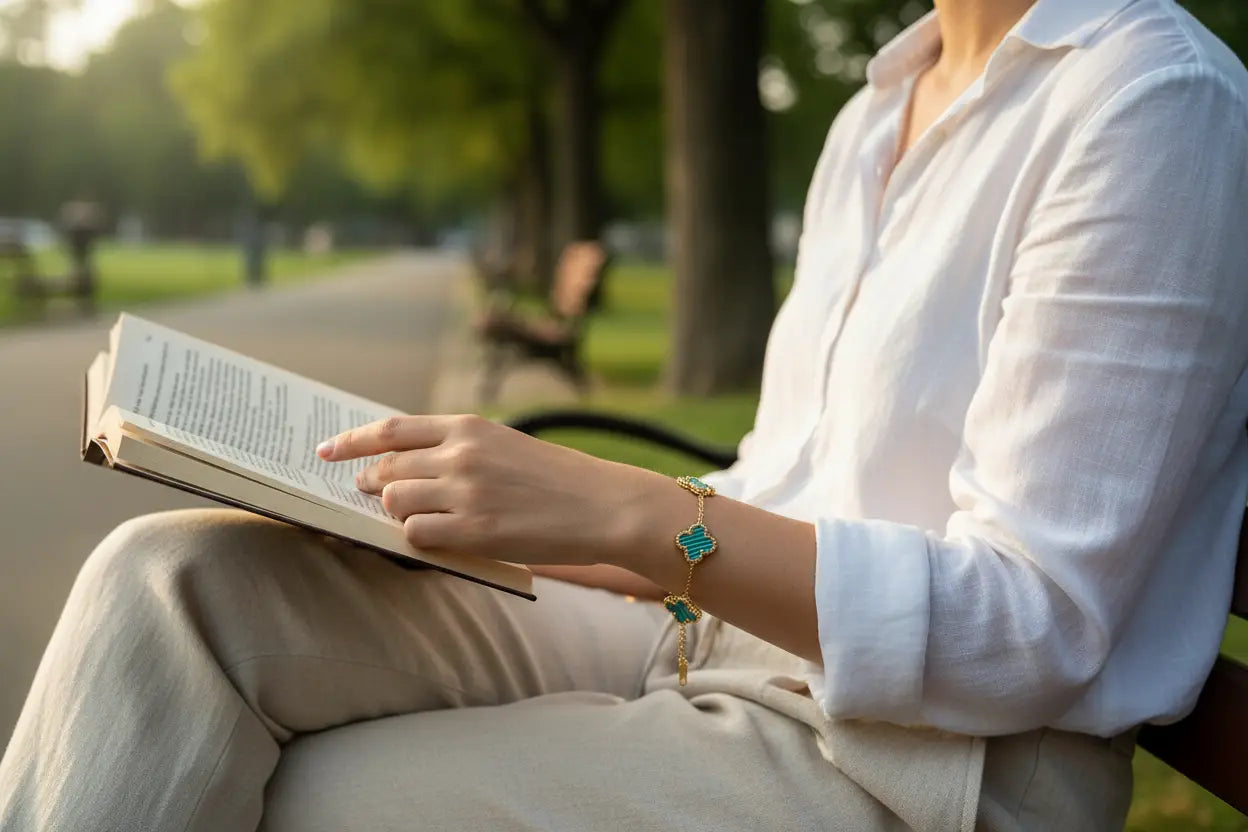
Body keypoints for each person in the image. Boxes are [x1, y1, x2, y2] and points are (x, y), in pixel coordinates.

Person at [4, 0, 1248, 829]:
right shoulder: (881, 109)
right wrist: (495, 511)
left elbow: (1036, 623)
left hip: (922, 764)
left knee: (309, 797)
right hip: (695, 635)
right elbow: (778, 483)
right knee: (169, 584)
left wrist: (638, 514)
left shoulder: (1151, 101)